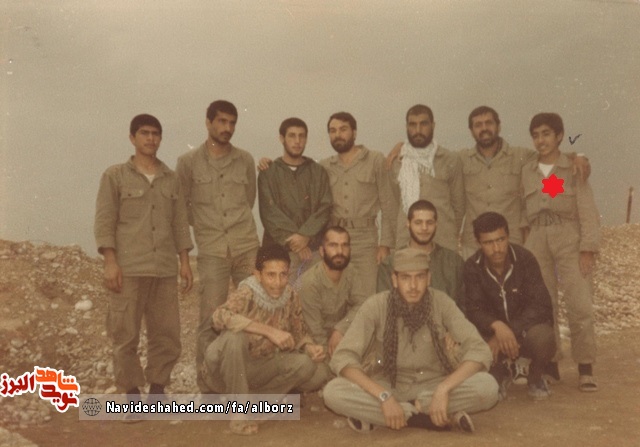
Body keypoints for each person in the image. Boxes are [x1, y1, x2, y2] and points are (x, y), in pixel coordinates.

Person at [323, 248, 498, 434]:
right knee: (333, 392)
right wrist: (383, 396)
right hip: (388, 386)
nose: (413, 286)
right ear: (394, 280)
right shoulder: (375, 305)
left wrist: (444, 389)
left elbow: (479, 349)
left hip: (434, 386)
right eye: (405, 278)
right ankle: (427, 418)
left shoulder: (442, 303)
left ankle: (397, 414)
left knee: (488, 387)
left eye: (419, 277)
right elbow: (343, 357)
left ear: (429, 278)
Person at [386, 106, 590, 259]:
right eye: (478, 125)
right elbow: (428, 157)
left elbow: (547, 155)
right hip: (473, 243)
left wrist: (577, 156)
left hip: (510, 241)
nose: (484, 129)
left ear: (498, 126)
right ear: (471, 130)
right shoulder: (460, 159)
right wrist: (402, 146)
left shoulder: (519, 156)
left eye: (488, 123)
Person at [94, 114, 193, 403]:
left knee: (167, 334)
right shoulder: (114, 176)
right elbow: (105, 221)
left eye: (155, 134)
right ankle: (132, 394)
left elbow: (179, 222)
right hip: (129, 269)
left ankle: (158, 391)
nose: (151, 138)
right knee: (125, 334)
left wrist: (184, 262)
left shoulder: (171, 179)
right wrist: (110, 262)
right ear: (132, 137)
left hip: (163, 269)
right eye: (144, 133)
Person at [175, 100, 260, 390]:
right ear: (208, 122)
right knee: (210, 319)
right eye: (222, 121)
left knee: (255, 311)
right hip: (212, 250)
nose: (227, 128)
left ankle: (253, 381)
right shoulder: (188, 163)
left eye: (232, 123)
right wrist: (204, 227)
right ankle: (208, 388)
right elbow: (182, 209)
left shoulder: (245, 160)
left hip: (246, 246)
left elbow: (249, 198)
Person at [201, 244, 327, 435]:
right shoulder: (247, 292)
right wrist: (268, 331)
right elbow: (218, 317)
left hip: (258, 368)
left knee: (310, 367)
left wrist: (309, 347)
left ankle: (257, 404)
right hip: (225, 369)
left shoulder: (290, 295)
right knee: (234, 337)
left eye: (283, 275)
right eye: (271, 275)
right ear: (258, 275)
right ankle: (238, 413)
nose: (278, 282)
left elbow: (299, 332)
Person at [522, 113, 600, 392]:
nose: (540, 140)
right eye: (535, 135)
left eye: (546, 134)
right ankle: (550, 363)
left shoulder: (572, 167)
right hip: (537, 238)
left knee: (579, 303)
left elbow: (587, 208)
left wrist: (588, 248)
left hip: (568, 237)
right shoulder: (527, 170)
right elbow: (523, 211)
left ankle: (585, 366)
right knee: (544, 304)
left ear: (558, 136)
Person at [463, 212, 555, 400]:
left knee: (544, 336)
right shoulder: (472, 266)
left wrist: (510, 330)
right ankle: (500, 372)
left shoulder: (525, 259)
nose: (497, 249)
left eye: (501, 240)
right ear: (478, 243)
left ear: (508, 236)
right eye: (488, 243)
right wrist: (497, 327)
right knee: (472, 340)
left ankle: (535, 375)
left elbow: (542, 305)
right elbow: (473, 309)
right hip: (491, 335)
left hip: (523, 332)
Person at [320, 112, 396, 297]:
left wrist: (385, 244)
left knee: (367, 295)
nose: (338, 135)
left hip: (366, 242)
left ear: (354, 133)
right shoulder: (325, 166)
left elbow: (388, 204)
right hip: (335, 240)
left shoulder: (375, 160)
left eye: (343, 129)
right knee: (336, 295)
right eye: (333, 131)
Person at [258, 117, 332, 287]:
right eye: (292, 136)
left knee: (310, 297)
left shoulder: (318, 172)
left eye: (302, 136)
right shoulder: (268, 172)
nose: (297, 141)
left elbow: (325, 208)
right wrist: (297, 243)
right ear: (282, 138)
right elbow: (269, 213)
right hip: (279, 253)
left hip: (312, 252)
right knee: (280, 298)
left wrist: (306, 235)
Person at [390, 105, 464, 252]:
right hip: (407, 241)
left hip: (443, 241)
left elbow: (459, 205)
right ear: (406, 127)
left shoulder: (449, 159)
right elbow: (393, 204)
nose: (418, 130)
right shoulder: (397, 162)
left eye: (423, 124)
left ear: (433, 125)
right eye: (412, 125)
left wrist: (446, 230)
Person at [299, 226, 368, 383]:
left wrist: (340, 329)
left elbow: (362, 304)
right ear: (322, 251)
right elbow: (316, 332)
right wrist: (336, 359)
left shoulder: (351, 271)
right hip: (317, 343)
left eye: (344, 245)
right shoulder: (309, 282)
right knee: (319, 375)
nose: (340, 251)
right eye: (333, 245)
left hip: (341, 337)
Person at [377, 200, 464, 309]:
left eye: (429, 223)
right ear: (408, 223)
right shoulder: (390, 263)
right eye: (418, 222)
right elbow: (385, 306)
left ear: (436, 224)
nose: (424, 228)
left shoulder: (453, 262)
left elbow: (463, 306)